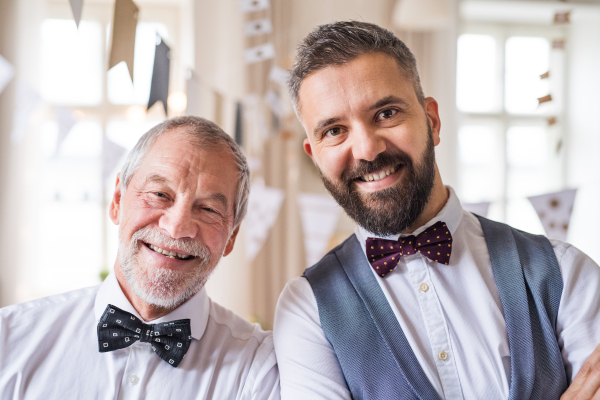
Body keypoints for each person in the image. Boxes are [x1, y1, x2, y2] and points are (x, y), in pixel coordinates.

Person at [274, 21, 600, 400]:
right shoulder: (307, 309)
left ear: (432, 120)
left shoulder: (566, 274)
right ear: (315, 155)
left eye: (386, 113)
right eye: (334, 130)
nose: (367, 149)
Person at [0, 116, 280, 400]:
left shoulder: (260, 370)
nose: (177, 227)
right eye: (159, 194)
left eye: (208, 209)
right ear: (117, 201)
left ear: (231, 236)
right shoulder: (9, 339)